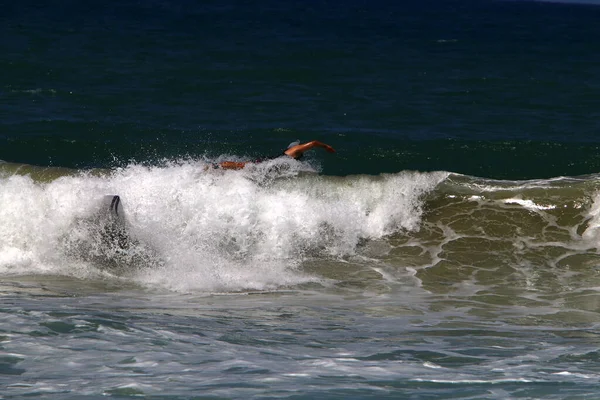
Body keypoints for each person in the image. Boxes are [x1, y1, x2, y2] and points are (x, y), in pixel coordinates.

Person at [217, 140, 335, 170]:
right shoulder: (296, 150)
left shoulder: (291, 153)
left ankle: (218, 169)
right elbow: (314, 143)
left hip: (269, 162)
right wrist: (326, 146)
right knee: (241, 166)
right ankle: (216, 166)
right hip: (267, 162)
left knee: (242, 168)